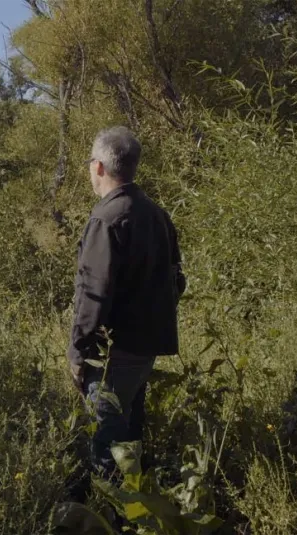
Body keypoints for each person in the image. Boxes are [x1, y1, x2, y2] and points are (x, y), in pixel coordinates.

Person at [68, 126, 186, 485]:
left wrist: (77, 352)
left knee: (106, 442)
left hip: (114, 352)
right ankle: (139, 510)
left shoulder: (107, 218)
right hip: (145, 347)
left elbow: (94, 292)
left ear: (99, 167)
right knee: (129, 436)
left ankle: (110, 515)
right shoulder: (156, 214)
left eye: (91, 162)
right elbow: (176, 280)